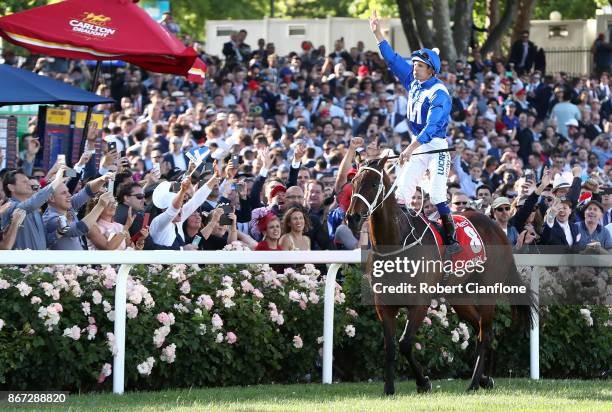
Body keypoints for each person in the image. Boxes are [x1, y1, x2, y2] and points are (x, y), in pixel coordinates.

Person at [369, 10, 461, 256]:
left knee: (438, 192)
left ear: (431, 70)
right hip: (418, 144)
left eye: (420, 66)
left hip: (436, 145)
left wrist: (409, 149)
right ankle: (403, 232)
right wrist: (377, 32)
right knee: (403, 191)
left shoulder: (439, 92)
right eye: (415, 65)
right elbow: (392, 59)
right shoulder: (412, 81)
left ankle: (451, 239)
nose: (415, 69)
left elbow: (432, 128)